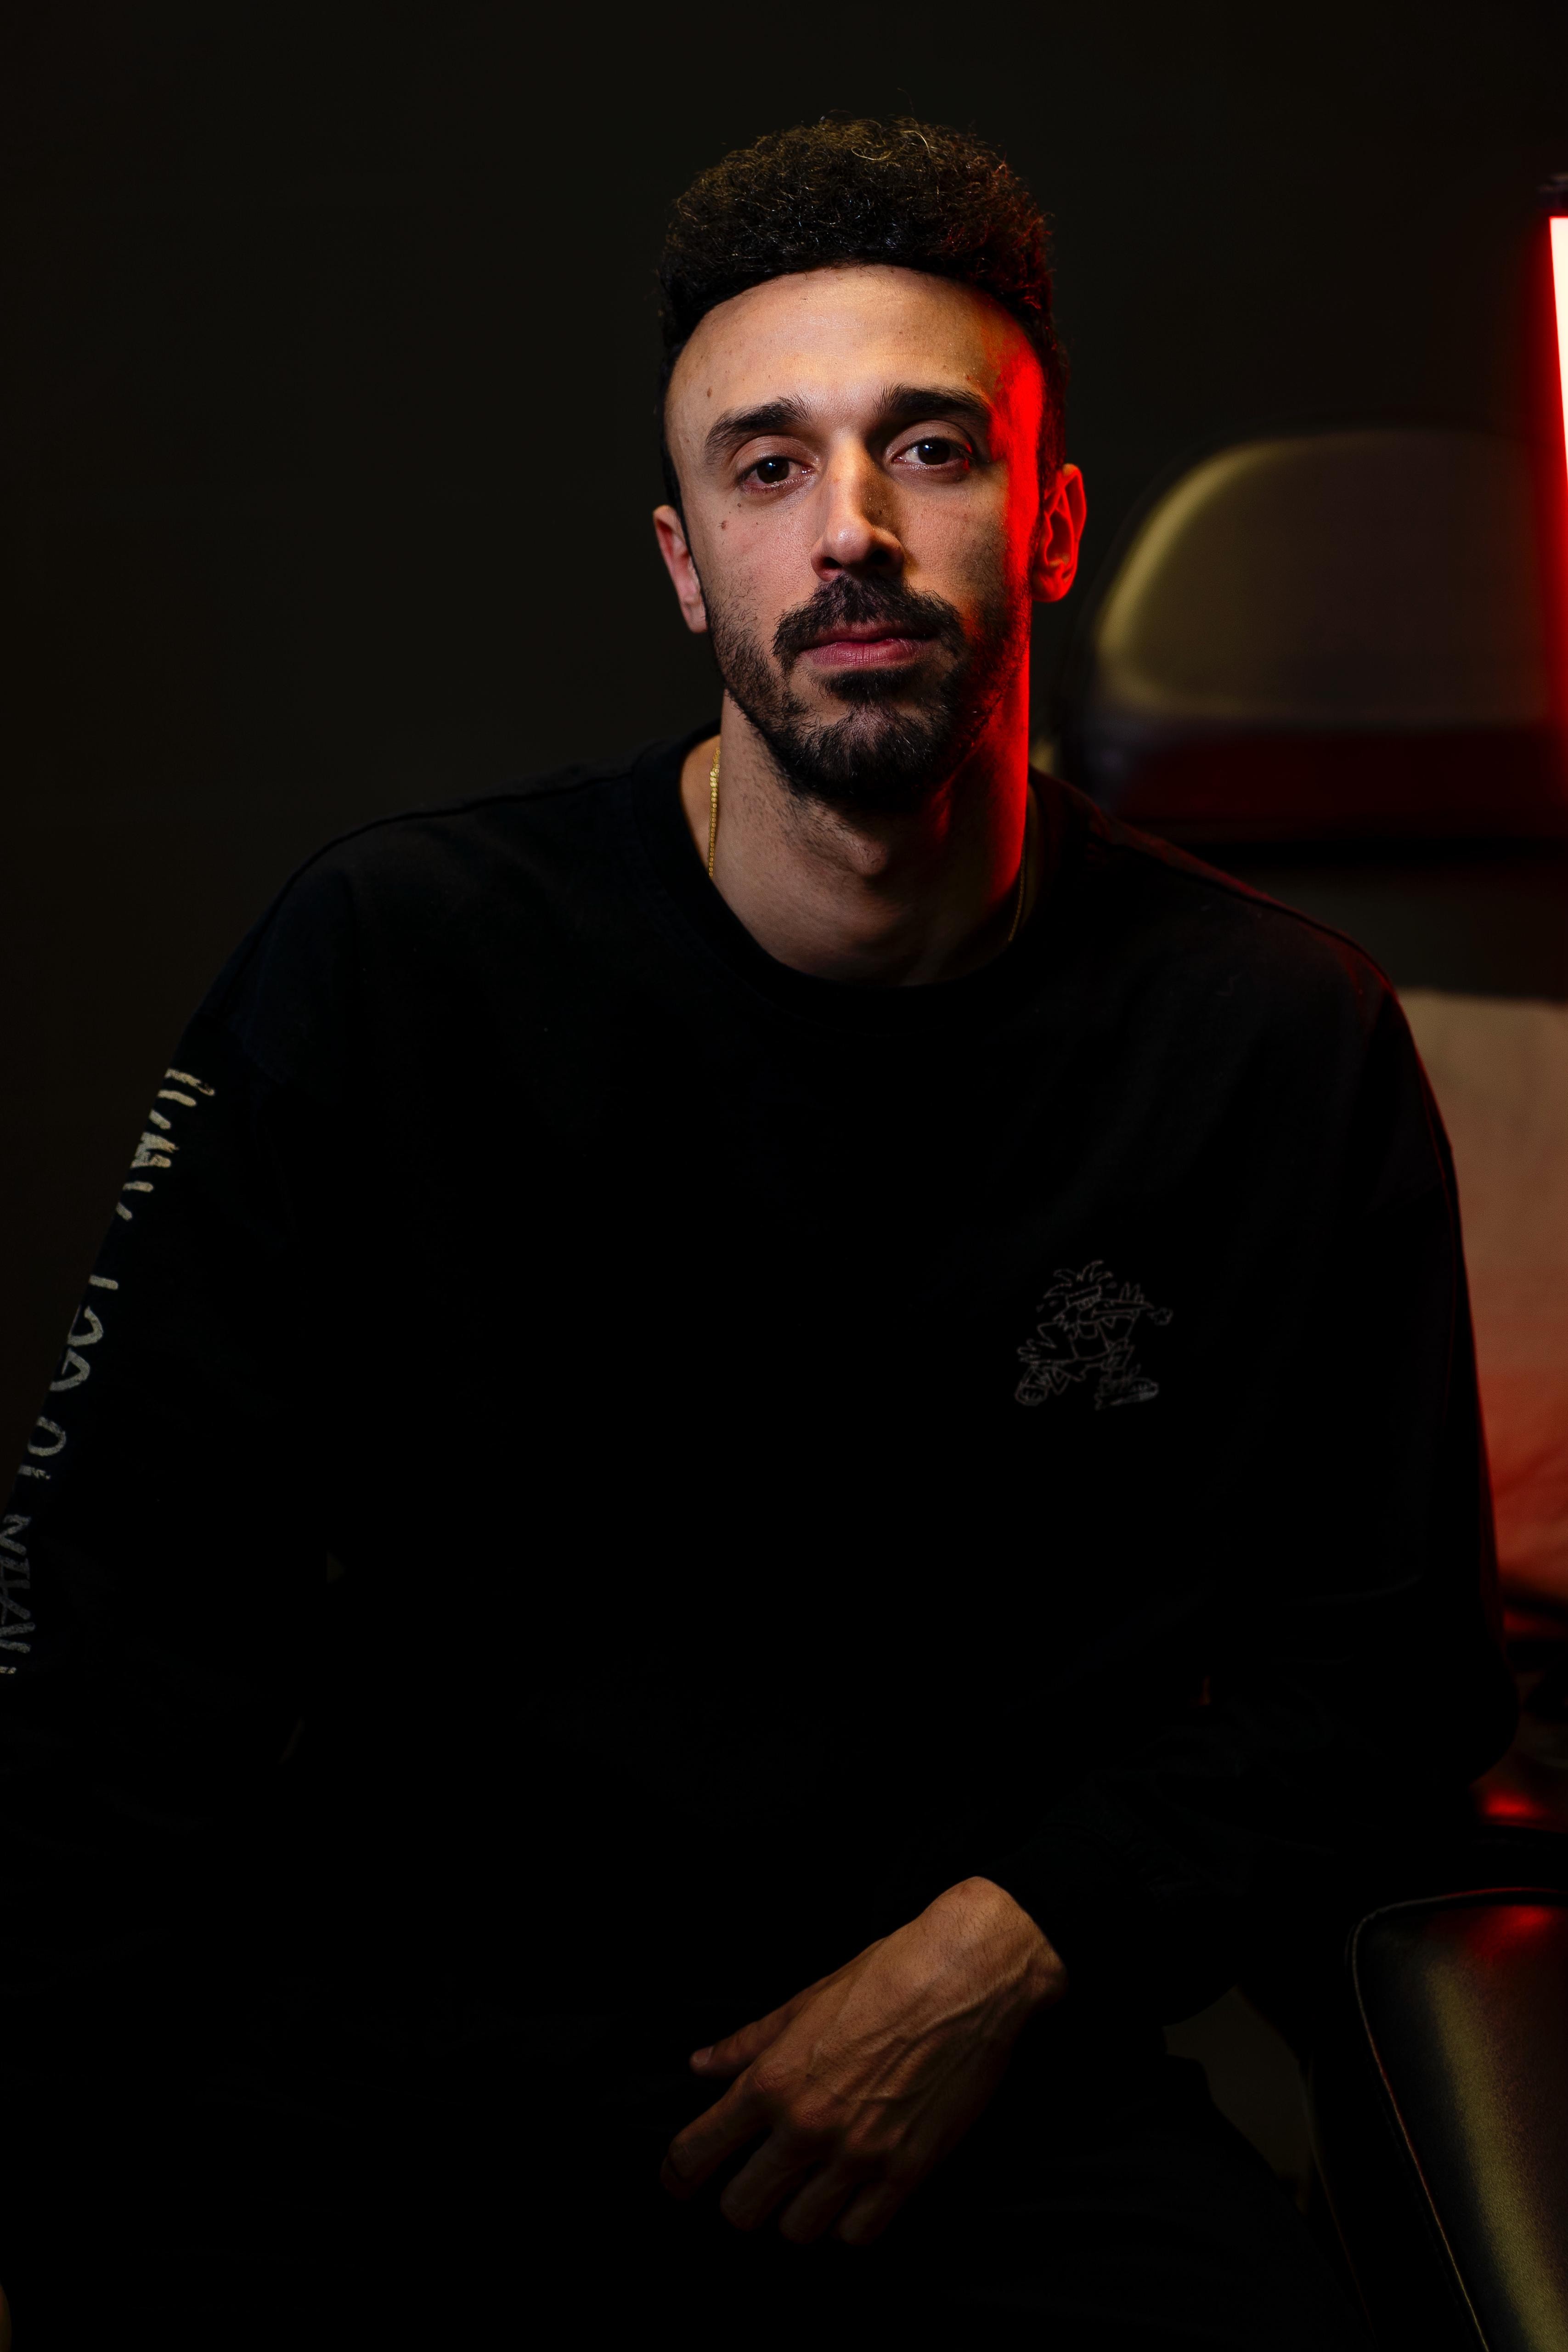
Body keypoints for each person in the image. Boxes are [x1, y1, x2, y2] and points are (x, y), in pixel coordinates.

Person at [0, 117, 1514, 2347]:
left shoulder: (1268, 1041)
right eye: (770, 469)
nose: (858, 536)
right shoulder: (399, 961)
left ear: (1055, 523)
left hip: (984, 2093)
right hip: (406, 2097)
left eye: (930, 449)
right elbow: (118, 1625)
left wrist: (1000, 1942)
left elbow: (1382, 1681)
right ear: (683, 563)